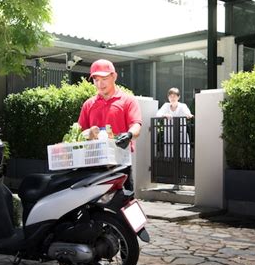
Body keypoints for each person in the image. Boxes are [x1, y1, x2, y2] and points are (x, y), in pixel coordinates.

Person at [78, 59, 142, 191]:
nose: (100, 84)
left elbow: (136, 125)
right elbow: (79, 133)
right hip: (94, 166)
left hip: (120, 164)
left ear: (114, 76)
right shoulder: (88, 104)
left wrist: (129, 135)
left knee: (124, 205)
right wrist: (87, 134)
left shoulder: (128, 100)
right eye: (96, 80)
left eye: (104, 79)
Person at [156, 87, 193, 159]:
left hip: (181, 134)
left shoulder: (183, 106)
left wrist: (188, 115)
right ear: (168, 97)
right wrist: (164, 115)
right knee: (169, 154)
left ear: (178, 97)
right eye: (170, 96)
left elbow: (188, 113)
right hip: (169, 134)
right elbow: (158, 114)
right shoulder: (166, 105)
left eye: (174, 96)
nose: (172, 98)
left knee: (184, 153)